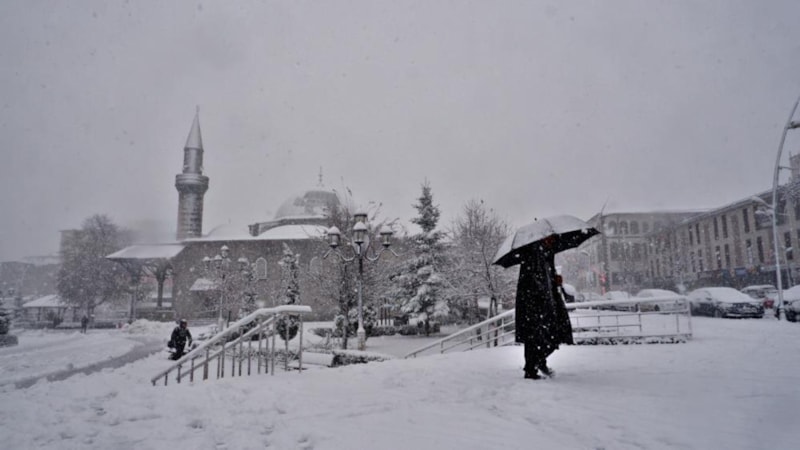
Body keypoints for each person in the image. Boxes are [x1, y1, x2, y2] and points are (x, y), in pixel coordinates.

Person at [515, 236, 574, 379]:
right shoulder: (533, 253)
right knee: (536, 336)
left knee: (550, 333)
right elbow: (533, 280)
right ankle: (531, 369)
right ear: (543, 238)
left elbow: (546, 277)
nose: (553, 241)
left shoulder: (547, 253)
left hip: (546, 302)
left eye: (553, 239)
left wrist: (556, 281)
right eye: (550, 238)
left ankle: (539, 362)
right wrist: (545, 291)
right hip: (534, 303)